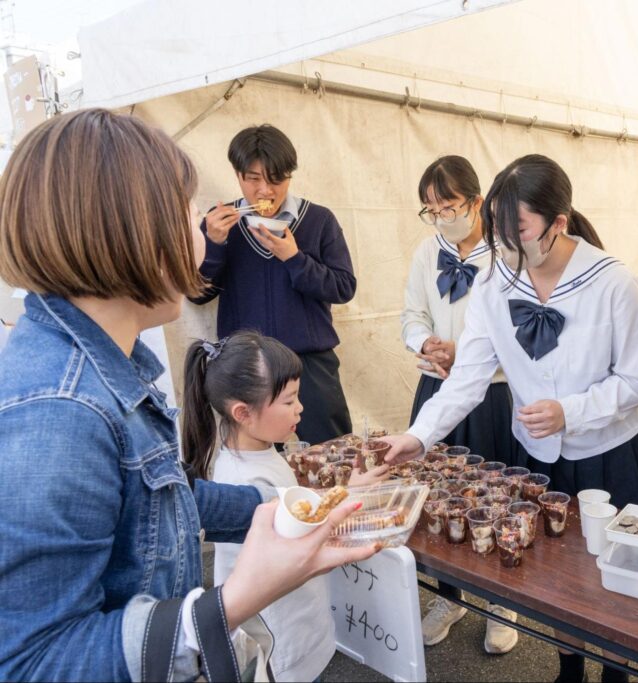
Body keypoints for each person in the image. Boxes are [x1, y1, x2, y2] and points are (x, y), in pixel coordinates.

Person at [0, 109, 377, 681]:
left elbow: (161, 504)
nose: (201, 226)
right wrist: (232, 602)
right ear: (128, 229)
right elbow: (33, 663)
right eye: (188, 213)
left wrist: (308, 506)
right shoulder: (61, 414)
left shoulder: (99, 373)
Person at [385, 154, 638, 683]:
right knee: (555, 576)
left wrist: (571, 410)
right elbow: (467, 377)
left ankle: (617, 673)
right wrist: (416, 437)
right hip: (538, 453)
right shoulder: (493, 283)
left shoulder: (613, 284)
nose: (506, 245)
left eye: (519, 231)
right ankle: (568, 667)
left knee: (614, 572)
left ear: (558, 223)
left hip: (613, 450)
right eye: (498, 230)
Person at [180, 331, 388, 681]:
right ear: (244, 413)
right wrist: (351, 502)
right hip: (282, 640)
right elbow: (304, 546)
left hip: (295, 622)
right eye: (289, 401)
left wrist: (343, 491)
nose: (301, 408)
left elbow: (295, 511)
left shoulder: (252, 452)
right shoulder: (247, 481)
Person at [401, 156, 520, 653]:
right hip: (436, 392)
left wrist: (468, 353)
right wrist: (425, 342)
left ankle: (500, 599)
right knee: (434, 496)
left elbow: (518, 327)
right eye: (430, 209)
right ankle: (448, 597)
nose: (440, 217)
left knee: (494, 495)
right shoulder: (426, 253)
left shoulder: (508, 254)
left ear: (476, 202)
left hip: (492, 393)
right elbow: (410, 313)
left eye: (448, 206)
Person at [190, 124, 356, 444]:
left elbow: (343, 287)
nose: (265, 190)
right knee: (255, 463)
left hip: (312, 366)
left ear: (289, 176)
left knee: (333, 456)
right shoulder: (218, 223)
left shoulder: (319, 220)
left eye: (275, 178)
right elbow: (197, 294)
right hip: (246, 368)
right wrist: (213, 245)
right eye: (253, 178)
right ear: (238, 176)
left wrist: (294, 258)